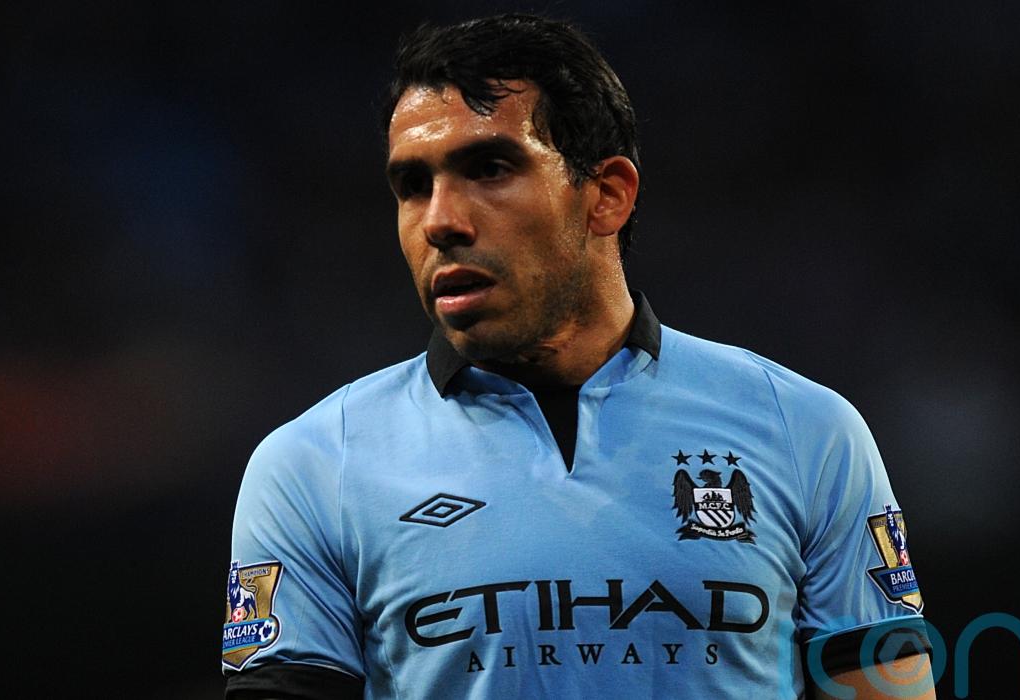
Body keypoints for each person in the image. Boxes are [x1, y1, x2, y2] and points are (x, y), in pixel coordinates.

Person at [223, 14, 933, 700]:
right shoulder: (316, 465)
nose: (439, 220)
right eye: (413, 185)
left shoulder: (804, 432)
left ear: (607, 195)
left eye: (489, 168)